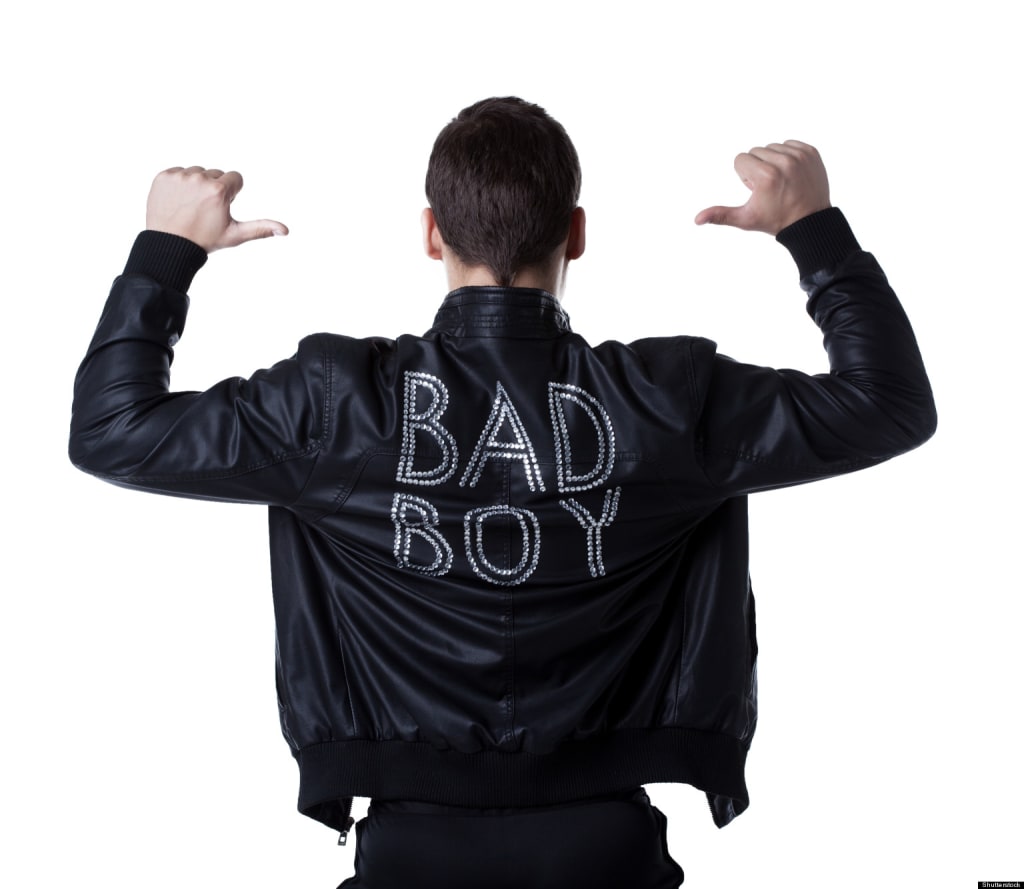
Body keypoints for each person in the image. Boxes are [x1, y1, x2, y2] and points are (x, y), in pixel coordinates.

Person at [69, 97, 936, 888]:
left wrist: (167, 252)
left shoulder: (333, 403)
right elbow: (888, 403)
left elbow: (112, 428)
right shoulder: (669, 400)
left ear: (431, 234)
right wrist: (813, 230)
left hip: (409, 851)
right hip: (610, 849)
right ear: (577, 232)